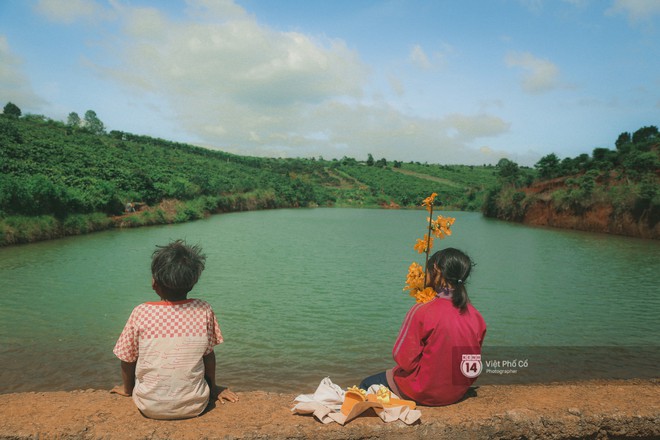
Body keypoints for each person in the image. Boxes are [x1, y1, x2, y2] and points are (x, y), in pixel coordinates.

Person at [111, 239, 238, 419]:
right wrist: (214, 388)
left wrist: (127, 389)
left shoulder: (141, 312)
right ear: (193, 283)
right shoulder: (204, 309)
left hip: (148, 406)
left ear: (155, 283)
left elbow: (127, 359)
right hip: (195, 405)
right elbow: (208, 355)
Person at [359, 248, 486, 406]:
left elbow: (404, 360)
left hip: (422, 392)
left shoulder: (422, 310)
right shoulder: (476, 316)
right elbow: (472, 367)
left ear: (436, 270)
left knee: (365, 385)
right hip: (455, 393)